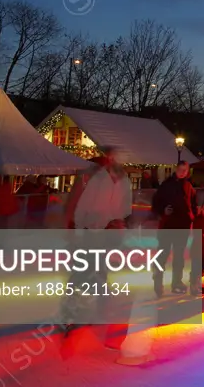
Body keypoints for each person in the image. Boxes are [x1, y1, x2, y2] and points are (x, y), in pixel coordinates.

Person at [60, 148, 133, 357]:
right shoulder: (93, 177)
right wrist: (77, 230)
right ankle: (71, 317)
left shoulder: (123, 181)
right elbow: (79, 206)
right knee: (80, 275)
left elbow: (125, 208)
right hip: (89, 233)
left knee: (99, 275)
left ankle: (95, 314)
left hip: (108, 236)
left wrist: (121, 224)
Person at [151, 161, 197, 296]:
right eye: (181, 169)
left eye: (185, 170)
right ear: (176, 169)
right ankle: (158, 280)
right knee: (163, 254)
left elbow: (193, 204)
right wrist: (163, 211)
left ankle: (177, 282)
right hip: (168, 226)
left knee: (179, 257)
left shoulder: (188, 186)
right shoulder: (166, 185)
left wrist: (192, 216)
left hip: (182, 226)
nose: (183, 172)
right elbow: (156, 203)